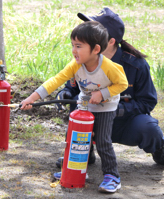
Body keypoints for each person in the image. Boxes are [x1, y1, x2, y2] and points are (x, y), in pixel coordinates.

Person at [55, 7, 164, 175]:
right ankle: (83, 152)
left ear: (110, 41)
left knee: (149, 127)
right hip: (93, 119)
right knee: (77, 101)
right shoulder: (82, 60)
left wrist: (118, 110)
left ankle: (161, 154)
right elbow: (74, 85)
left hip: (124, 123)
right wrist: (65, 93)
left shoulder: (136, 66)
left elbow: (147, 102)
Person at [21, 21, 128, 193]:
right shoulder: (75, 65)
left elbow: (122, 84)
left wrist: (102, 94)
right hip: (85, 105)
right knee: (76, 138)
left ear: (96, 49)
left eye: (79, 46)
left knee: (102, 141)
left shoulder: (108, 67)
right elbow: (55, 80)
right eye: (72, 45)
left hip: (106, 107)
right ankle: (76, 170)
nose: (74, 50)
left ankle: (112, 176)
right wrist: (31, 98)